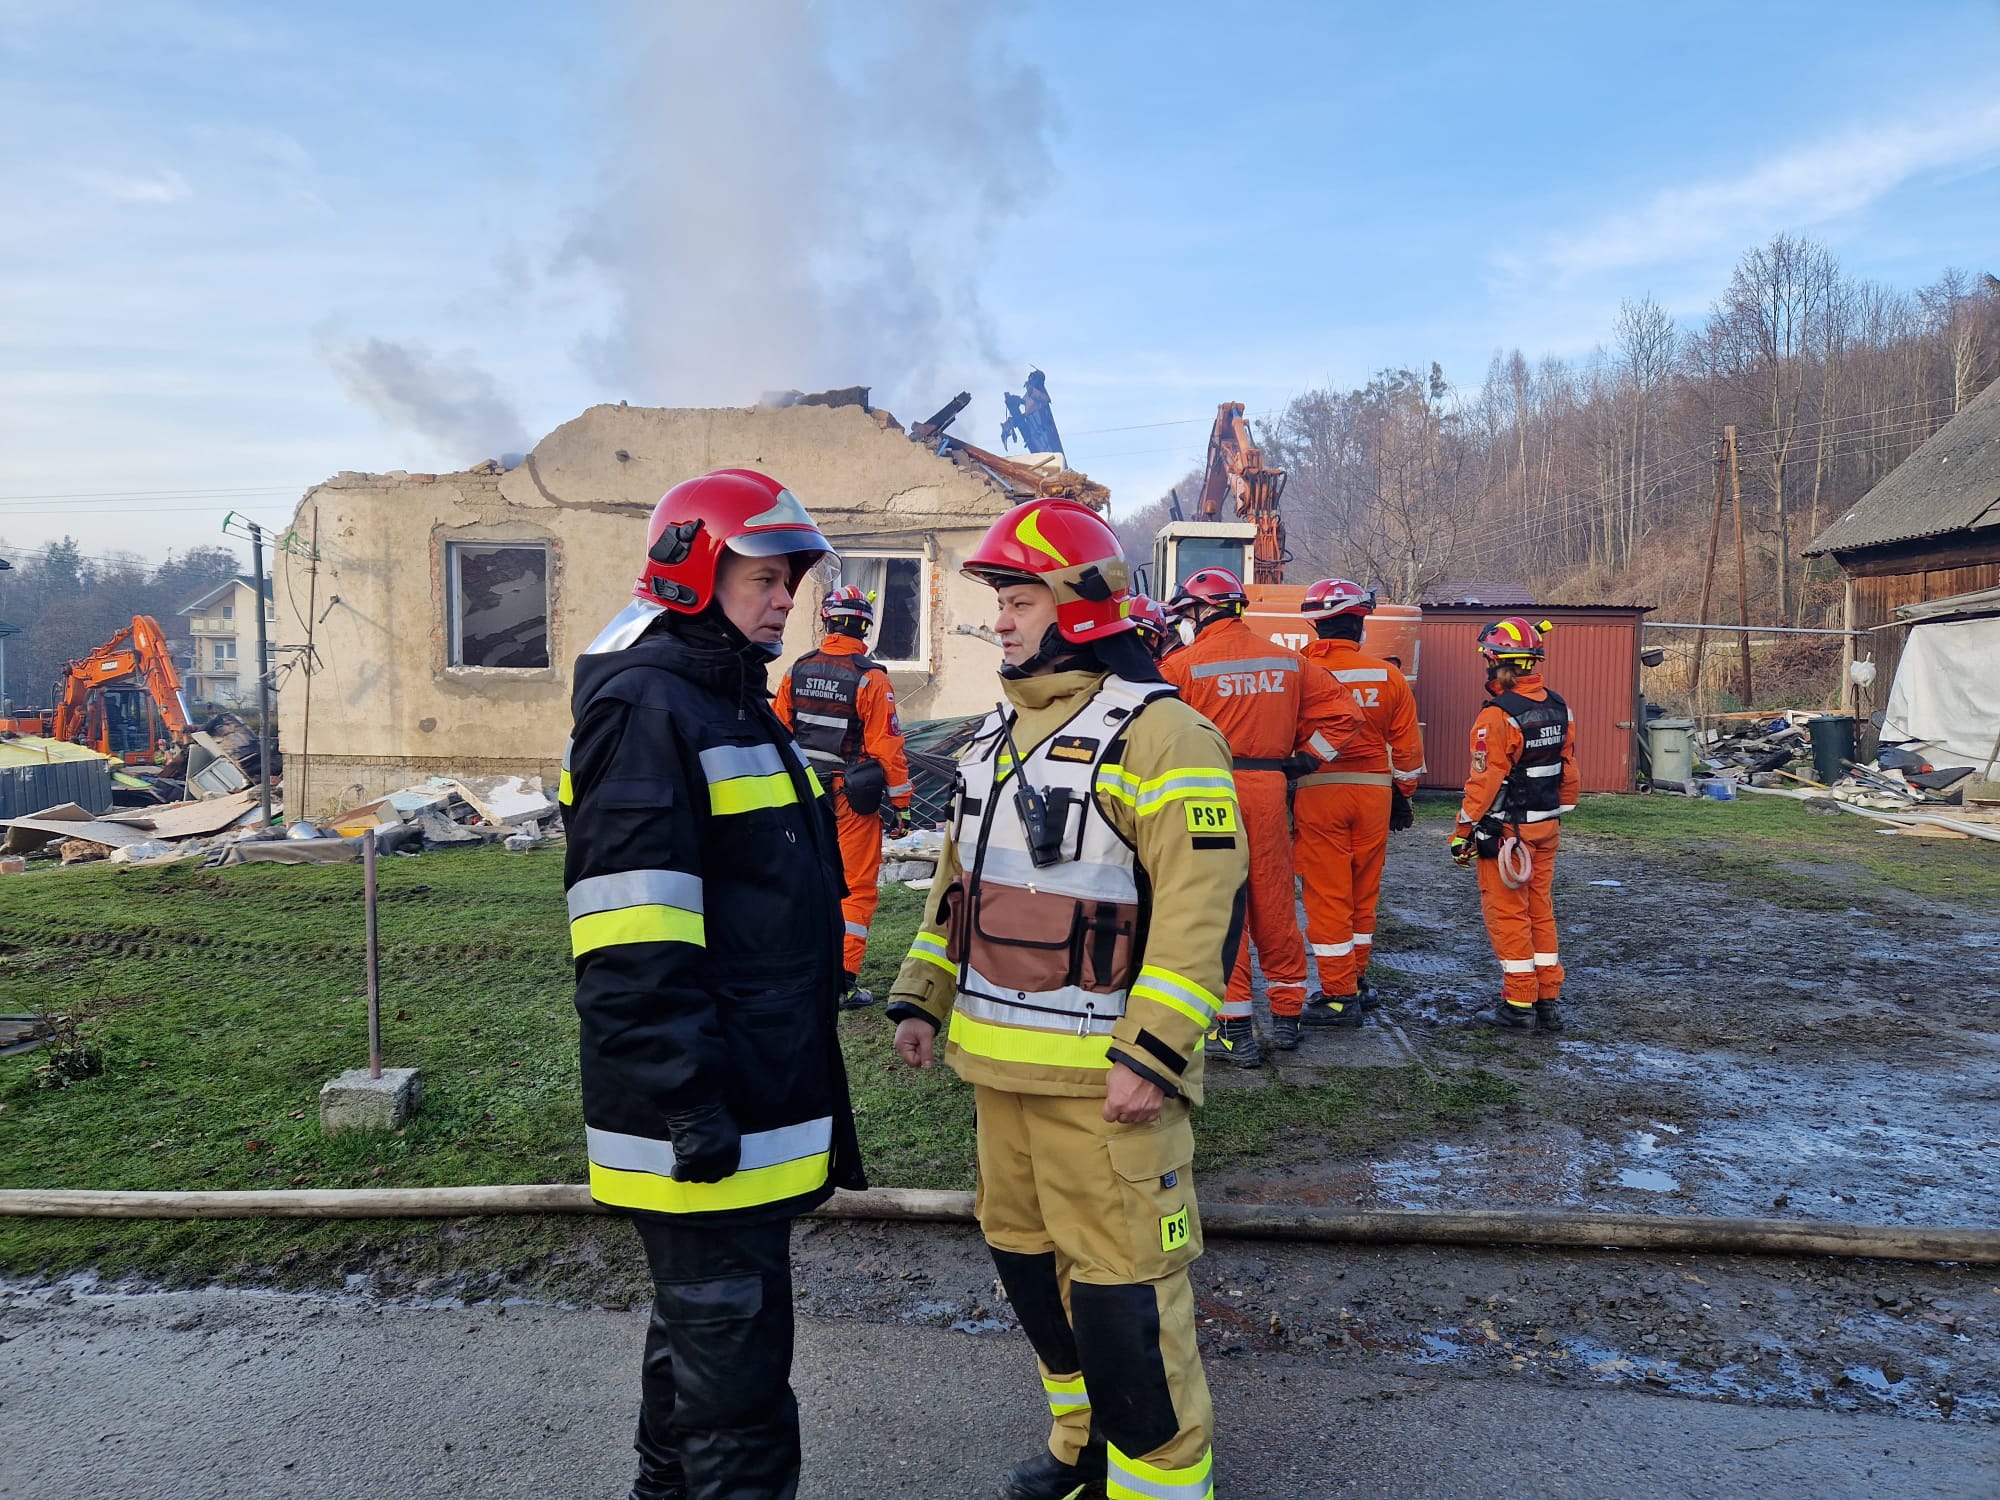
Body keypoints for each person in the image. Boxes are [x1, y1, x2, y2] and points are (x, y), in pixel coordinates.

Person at [884, 497, 1246, 1500]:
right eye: (999, 599)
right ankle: (1081, 1444)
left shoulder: (1165, 736)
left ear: (1080, 604)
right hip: (997, 1071)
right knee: (1028, 1269)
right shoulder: (997, 734)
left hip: (1106, 1088)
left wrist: (1152, 1054)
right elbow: (961, 882)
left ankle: (1160, 1483)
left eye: (1020, 599)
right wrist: (921, 994)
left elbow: (1202, 908)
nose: (999, 619)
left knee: (1125, 1298)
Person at [564, 468, 867, 1500]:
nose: (787, 601)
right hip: (704, 1108)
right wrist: (686, 1098)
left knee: (703, 1346)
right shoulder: (651, 706)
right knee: (739, 1398)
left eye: (791, 581)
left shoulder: (722, 695)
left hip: (742, 1092)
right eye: (765, 579)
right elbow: (629, 934)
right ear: (695, 571)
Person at [1160, 568, 1362, 1064]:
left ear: (1203, 611)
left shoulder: (1180, 666)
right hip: (1269, 789)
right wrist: (1307, 759)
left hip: (1209, 792)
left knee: (1221, 903)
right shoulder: (1288, 660)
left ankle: (1234, 1028)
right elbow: (1346, 715)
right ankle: (1287, 1016)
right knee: (1273, 899)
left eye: (1187, 613)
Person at [1292, 579, 1425, 1028]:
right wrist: (1402, 796)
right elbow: (1408, 752)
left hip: (1319, 791)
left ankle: (1337, 995)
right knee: (1363, 891)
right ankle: (1357, 979)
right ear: (1359, 626)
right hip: (1373, 793)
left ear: (1316, 625)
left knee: (1328, 894)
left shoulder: (1300, 671)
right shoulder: (1387, 676)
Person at [774, 583, 914, 1008]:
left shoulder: (796, 671)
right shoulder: (870, 678)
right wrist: (902, 806)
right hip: (851, 798)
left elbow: (779, 735)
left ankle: (796, 970)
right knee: (855, 887)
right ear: (865, 627)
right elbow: (887, 748)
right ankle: (842, 982)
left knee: (802, 879)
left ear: (827, 622)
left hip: (802, 794)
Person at [1449, 617, 1577, 1034]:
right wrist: (1557, 810)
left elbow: (1484, 781)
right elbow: (1568, 768)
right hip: (1546, 827)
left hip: (1508, 834)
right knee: (1540, 910)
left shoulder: (1497, 716)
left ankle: (1519, 1004)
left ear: (1494, 662)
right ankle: (1547, 1000)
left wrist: (1462, 833)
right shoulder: (1558, 706)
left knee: (1508, 915)